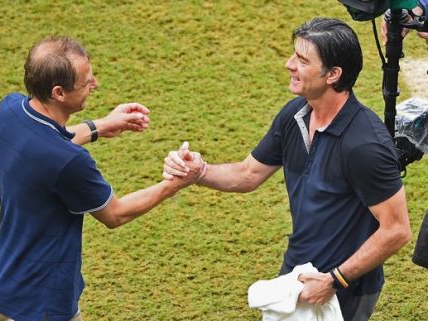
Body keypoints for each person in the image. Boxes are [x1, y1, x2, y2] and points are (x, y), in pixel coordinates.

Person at [163, 18, 411, 321]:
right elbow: (247, 174)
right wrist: (199, 172)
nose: (288, 64)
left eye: (302, 60)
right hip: (296, 273)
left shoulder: (364, 145)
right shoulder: (294, 115)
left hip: (344, 287)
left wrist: (335, 279)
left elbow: (397, 229)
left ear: (333, 74)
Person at [0, 36, 201, 321]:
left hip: (7, 285)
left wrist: (98, 126)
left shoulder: (10, 110)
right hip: (43, 303)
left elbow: (43, 145)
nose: (95, 84)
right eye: (86, 81)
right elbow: (116, 214)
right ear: (59, 93)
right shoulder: (69, 162)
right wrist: (177, 182)